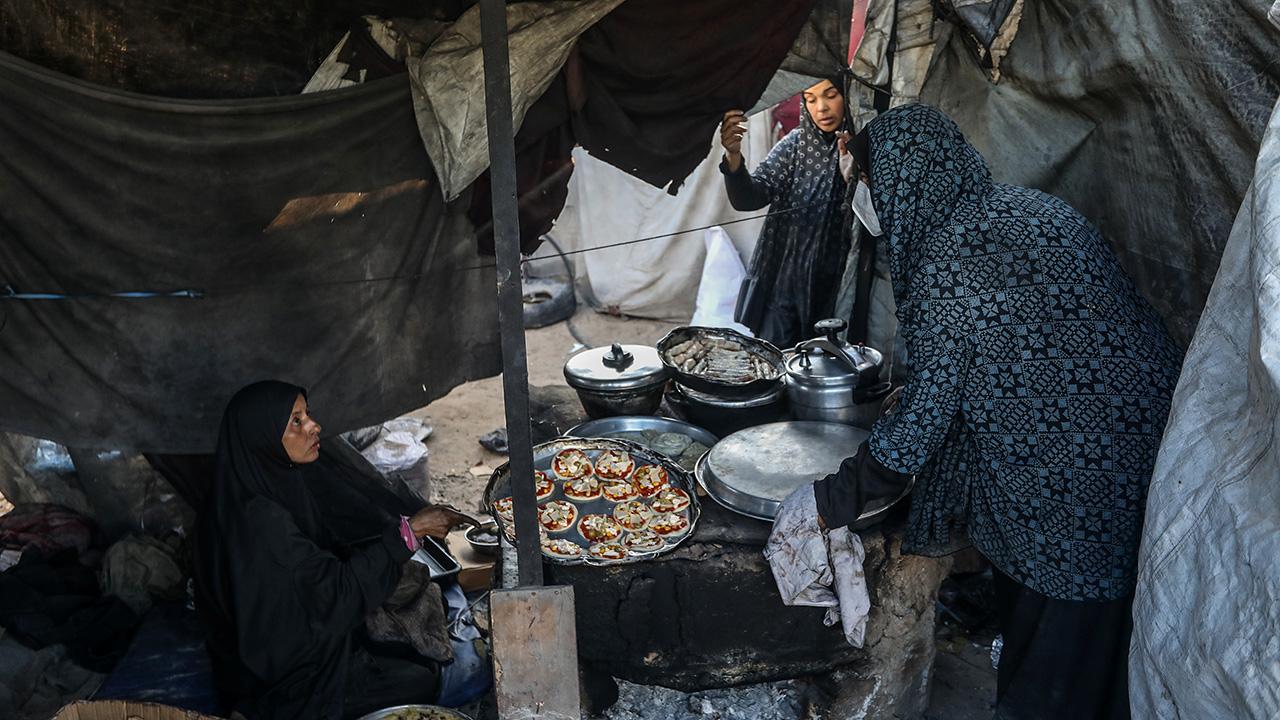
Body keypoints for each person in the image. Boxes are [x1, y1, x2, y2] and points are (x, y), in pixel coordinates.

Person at [804, 104, 1182, 719]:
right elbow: (1025, 353)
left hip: (1065, 493)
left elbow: (923, 424)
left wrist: (831, 499)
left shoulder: (945, 262)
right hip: (1150, 459)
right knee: (1108, 654)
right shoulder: (1034, 209)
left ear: (901, 180)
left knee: (1050, 670)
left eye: (868, 185)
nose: (865, 201)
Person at [194, 380, 473, 719]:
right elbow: (334, 594)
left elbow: (319, 561)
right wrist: (409, 534)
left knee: (408, 650)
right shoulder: (260, 523)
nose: (314, 427)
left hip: (275, 646)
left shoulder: (251, 488)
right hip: (281, 679)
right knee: (420, 680)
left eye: (307, 415)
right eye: (295, 421)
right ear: (262, 437)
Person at [719, 75, 856, 348]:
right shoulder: (796, 145)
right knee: (778, 363)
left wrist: (852, 175)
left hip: (837, 285)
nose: (822, 108)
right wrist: (733, 157)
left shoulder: (862, 146)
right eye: (811, 99)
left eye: (831, 95)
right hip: (784, 284)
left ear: (848, 96)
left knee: (827, 368)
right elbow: (750, 197)